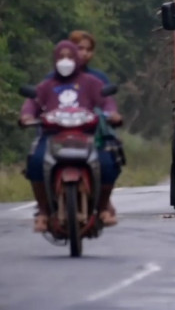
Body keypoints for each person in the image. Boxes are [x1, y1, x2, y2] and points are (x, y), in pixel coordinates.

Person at [20, 40, 123, 232]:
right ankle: (43, 212)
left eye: (69, 57)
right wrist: (26, 116)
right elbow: (32, 103)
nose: (65, 61)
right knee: (35, 161)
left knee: (108, 163)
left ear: (76, 59)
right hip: (53, 137)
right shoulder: (47, 85)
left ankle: (102, 209)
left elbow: (107, 101)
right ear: (54, 60)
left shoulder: (92, 82)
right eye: (61, 57)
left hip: (87, 136)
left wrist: (112, 114)